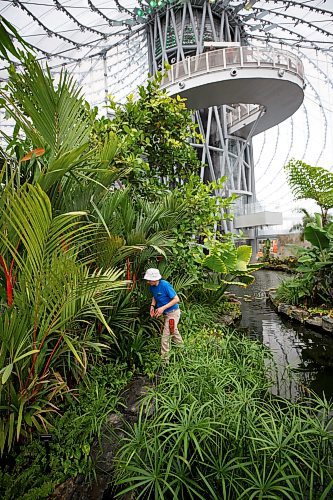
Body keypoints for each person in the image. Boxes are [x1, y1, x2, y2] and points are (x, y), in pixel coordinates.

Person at [143, 268, 183, 359]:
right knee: (173, 332)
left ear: (155, 279)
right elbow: (155, 296)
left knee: (165, 338)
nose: (148, 282)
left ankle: (165, 362)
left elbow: (177, 299)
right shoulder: (152, 286)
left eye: (149, 280)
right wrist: (152, 306)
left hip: (173, 313)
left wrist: (162, 308)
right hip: (165, 313)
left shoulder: (165, 285)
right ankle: (183, 350)